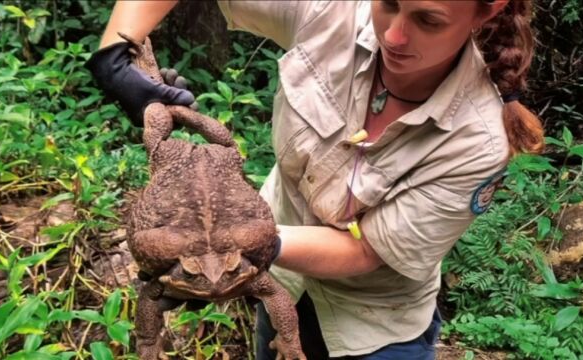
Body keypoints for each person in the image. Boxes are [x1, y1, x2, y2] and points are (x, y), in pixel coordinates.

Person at [86, 0, 544, 359]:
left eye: (429, 20)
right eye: (387, 2)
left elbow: (367, 251)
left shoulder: (478, 140)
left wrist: (232, 246)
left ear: (488, 9)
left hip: (375, 330)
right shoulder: (333, 11)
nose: (395, 34)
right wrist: (115, 57)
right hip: (280, 285)